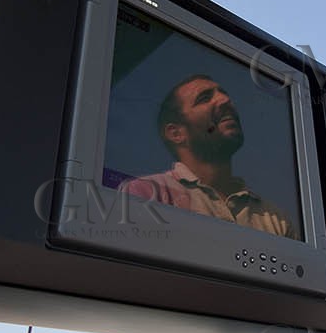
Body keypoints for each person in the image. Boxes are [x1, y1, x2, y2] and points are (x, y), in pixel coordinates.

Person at [124, 73, 297, 237]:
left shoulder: (275, 219)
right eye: (204, 98)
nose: (225, 100)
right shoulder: (145, 193)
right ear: (176, 133)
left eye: (224, 94)